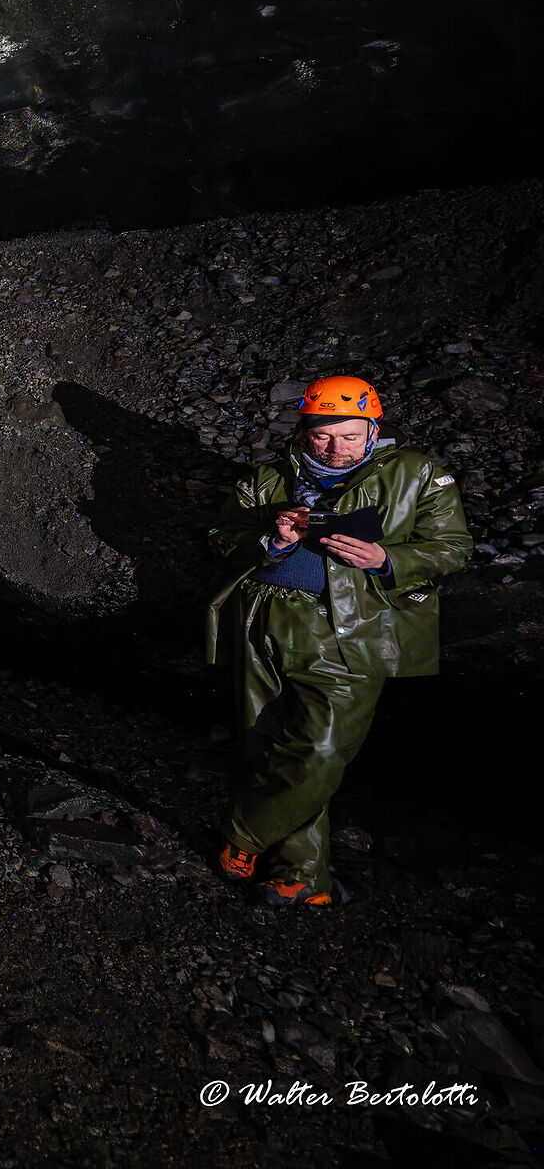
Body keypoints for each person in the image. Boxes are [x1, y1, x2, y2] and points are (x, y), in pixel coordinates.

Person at [204, 375, 470, 907]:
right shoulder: (270, 477)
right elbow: (222, 537)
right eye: (323, 435)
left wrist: (389, 559)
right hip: (264, 619)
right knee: (269, 747)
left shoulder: (417, 475)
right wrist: (270, 540)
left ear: (373, 429)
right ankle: (302, 877)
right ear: (305, 430)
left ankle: (243, 837)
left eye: (350, 435)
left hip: (352, 627)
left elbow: (453, 547)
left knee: (320, 752)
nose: (336, 447)